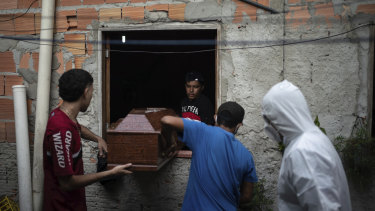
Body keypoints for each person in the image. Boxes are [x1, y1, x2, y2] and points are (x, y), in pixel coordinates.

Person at [43, 69, 133, 211]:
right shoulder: (60, 129)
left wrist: (98, 138)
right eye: (92, 92)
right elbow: (67, 183)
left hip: (74, 203)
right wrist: (111, 173)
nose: (92, 96)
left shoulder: (62, 115)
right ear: (85, 92)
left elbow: (78, 128)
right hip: (62, 206)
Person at [262, 80, 351, 211]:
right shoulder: (314, 139)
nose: (269, 127)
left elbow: (324, 207)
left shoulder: (304, 151)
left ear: (282, 116)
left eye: (270, 120)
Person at [161, 101, 258, 210]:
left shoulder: (203, 132)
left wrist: (171, 142)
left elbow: (166, 120)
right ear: (239, 125)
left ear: (216, 118)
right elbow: (247, 196)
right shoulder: (247, 156)